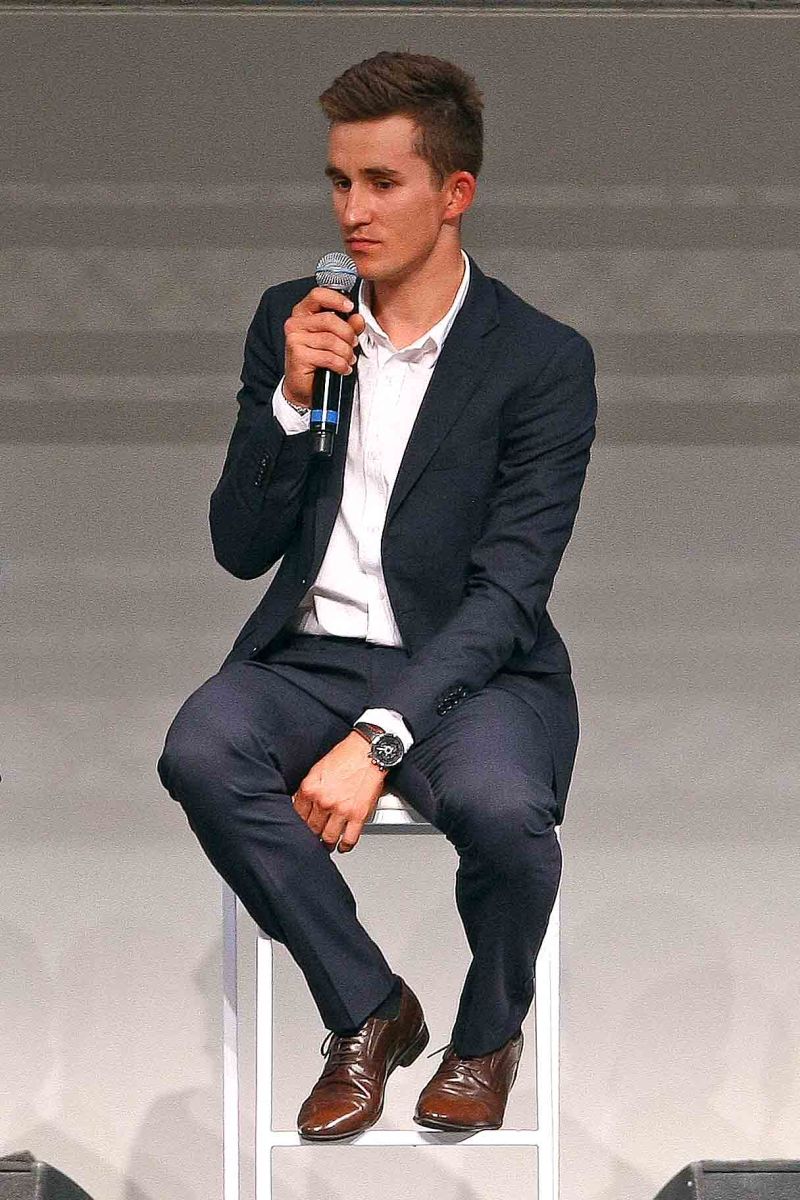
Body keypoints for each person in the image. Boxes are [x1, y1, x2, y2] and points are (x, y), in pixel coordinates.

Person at [157, 50, 597, 1140]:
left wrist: (379, 736)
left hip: (470, 670)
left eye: (382, 183)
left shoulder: (540, 359)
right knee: (201, 748)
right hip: (309, 657)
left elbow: (509, 592)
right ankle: (366, 1008)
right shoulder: (296, 320)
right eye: (339, 182)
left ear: (454, 193)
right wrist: (288, 400)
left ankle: (485, 1038)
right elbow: (238, 546)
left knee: (506, 817)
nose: (352, 211)